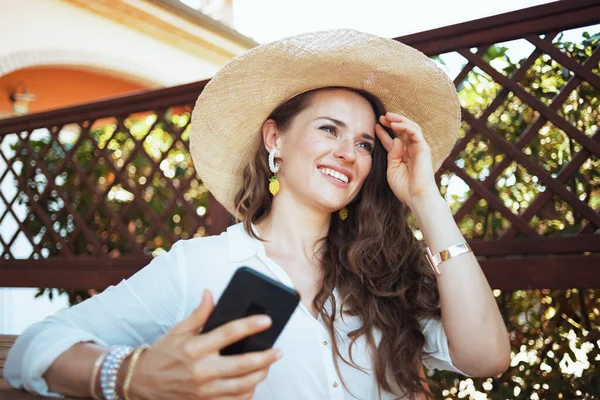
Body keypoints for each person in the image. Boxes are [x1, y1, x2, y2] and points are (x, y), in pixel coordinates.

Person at [4, 29, 510, 400]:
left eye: (363, 143)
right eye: (328, 130)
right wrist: (133, 374)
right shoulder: (200, 266)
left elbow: (486, 358)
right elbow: (36, 348)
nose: (349, 153)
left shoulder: (386, 272)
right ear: (275, 140)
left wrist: (425, 197)